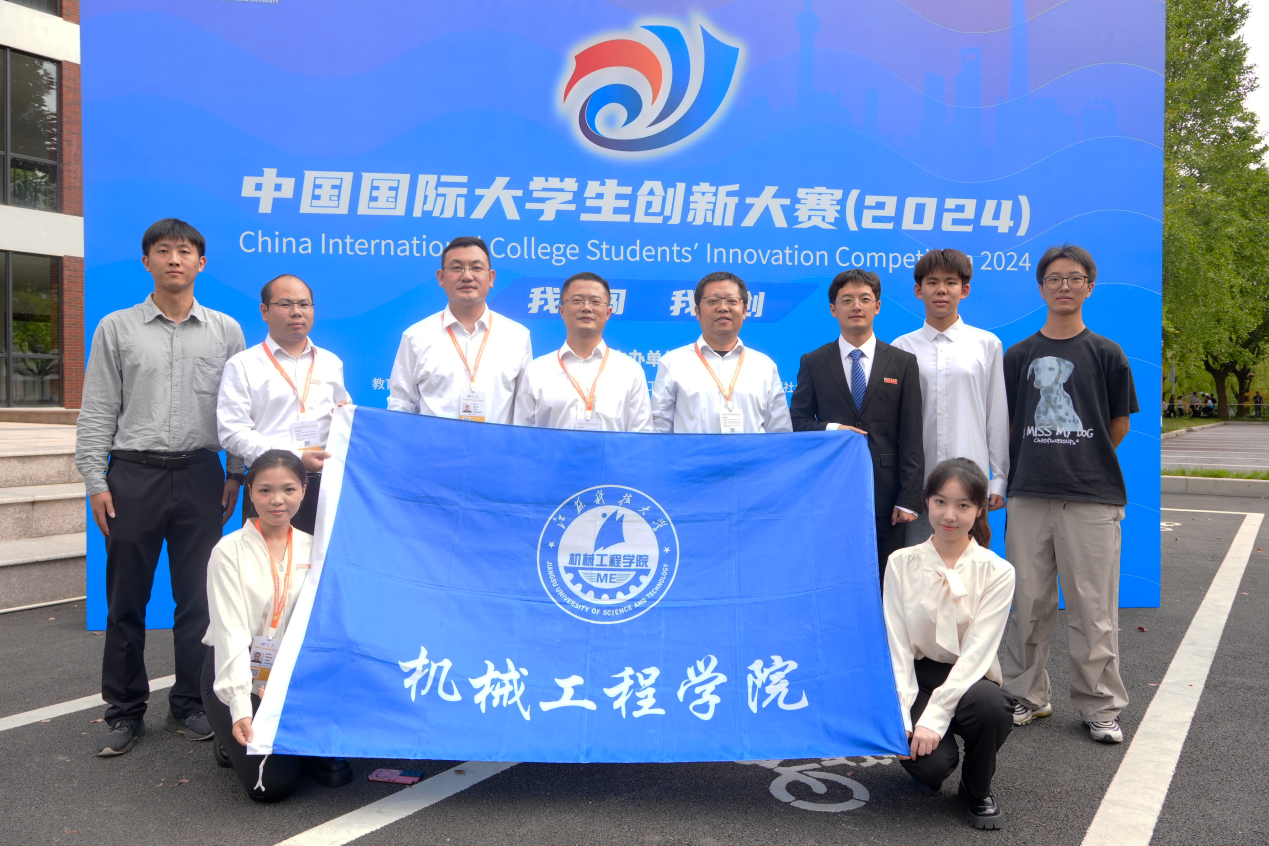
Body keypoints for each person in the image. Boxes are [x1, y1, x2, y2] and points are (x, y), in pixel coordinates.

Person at [75, 218, 246, 756]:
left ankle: (190, 703)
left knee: (199, 600)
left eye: (186, 251)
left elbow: (238, 409)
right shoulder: (117, 328)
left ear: (201, 262)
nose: (175, 259)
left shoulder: (226, 331)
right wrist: (95, 479)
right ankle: (124, 711)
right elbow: (98, 407)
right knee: (126, 600)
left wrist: (236, 472)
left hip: (201, 475)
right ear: (146, 261)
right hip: (133, 476)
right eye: (164, 250)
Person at [1000, 243, 1139, 744]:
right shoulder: (1019, 355)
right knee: (1026, 604)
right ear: (1041, 287)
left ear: (1089, 287)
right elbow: (1009, 425)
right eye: (1055, 278)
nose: (1064, 286)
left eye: (1074, 278)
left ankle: (1100, 706)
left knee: (1093, 610)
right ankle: (1026, 695)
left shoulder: (1106, 353)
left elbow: (1117, 424)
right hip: (1028, 494)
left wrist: (1078, 457)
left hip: (1092, 497)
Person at [202, 449, 352, 801]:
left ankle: (300, 741)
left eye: (288, 489)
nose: (277, 500)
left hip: (293, 672)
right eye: (265, 490)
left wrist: (292, 682)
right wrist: (241, 705)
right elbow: (230, 634)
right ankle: (228, 740)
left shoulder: (316, 549)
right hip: (238, 669)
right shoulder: (228, 552)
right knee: (274, 786)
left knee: (332, 775)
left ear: (304, 490)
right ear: (250, 492)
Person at [885, 458, 1014, 830]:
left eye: (963, 505)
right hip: (916, 675)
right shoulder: (900, 563)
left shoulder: (998, 571)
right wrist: (902, 713)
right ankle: (929, 767)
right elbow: (896, 643)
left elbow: (977, 652)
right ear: (926, 501)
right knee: (929, 767)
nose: (949, 515)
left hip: (969, 677)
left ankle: (977, 788)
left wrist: (936, 717)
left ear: (979, 509)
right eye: (940, 501)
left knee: (993, 706)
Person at [790, 268, 924, 578]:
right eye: (847, 300)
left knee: (887, 578)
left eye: (864, 299)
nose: (856, 306)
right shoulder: (813, 362)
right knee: (834, 572)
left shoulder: (902, 362)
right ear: (833, 309)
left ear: (877, 306)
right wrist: (833, 429)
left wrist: (908, 499)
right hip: (830, 489)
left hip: (887, 494)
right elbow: (797, 422)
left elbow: (911, 435)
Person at [217, 274, 351, 534]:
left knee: (323, 559)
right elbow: (232, 432)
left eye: (304, 304)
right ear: (264, 311)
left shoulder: (331, 362)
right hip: (270, 486)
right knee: (267, 560)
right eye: (286, 304)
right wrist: (295, 457)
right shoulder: (242, 365)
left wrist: (345, 416)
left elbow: (344, 417)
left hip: (326, 486)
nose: (296, 312)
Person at [892, 249, 1009, 546]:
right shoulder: (900, 348)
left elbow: (996, 416)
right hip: (918, 488)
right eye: (932, 282)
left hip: (971, 483)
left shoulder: (986, 344)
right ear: (918, 290)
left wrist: (999, 478)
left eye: (950, 282)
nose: (941, 290)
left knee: (971, 568)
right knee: (918, 567)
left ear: (964, 290)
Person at [388, 236, 532, 423]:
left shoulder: (517, 337)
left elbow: (525, 412)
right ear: (441, 277)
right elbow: (401, 407)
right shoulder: (416, 337)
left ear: (491, 278)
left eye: (476, 268)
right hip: (435, 443)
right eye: (456, 268)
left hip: (497, 443)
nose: (467, 276)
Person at [651, 271, 792, 434]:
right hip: (694, 452)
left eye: (732, 301)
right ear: (697, 311)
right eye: (712, 301)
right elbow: (659, 430)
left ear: (745, 311)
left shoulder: (764, 366)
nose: (723, 308)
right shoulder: (672, 363)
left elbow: (780, 432)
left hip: (752, 452)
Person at [514, 271, 652, 432]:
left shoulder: (630, 371)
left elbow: (641, 436)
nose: (586, 308)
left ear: (608, 312)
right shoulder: (536, 371)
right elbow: (521, 434)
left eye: (595, 301)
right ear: (561, 311)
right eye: (577, 301)